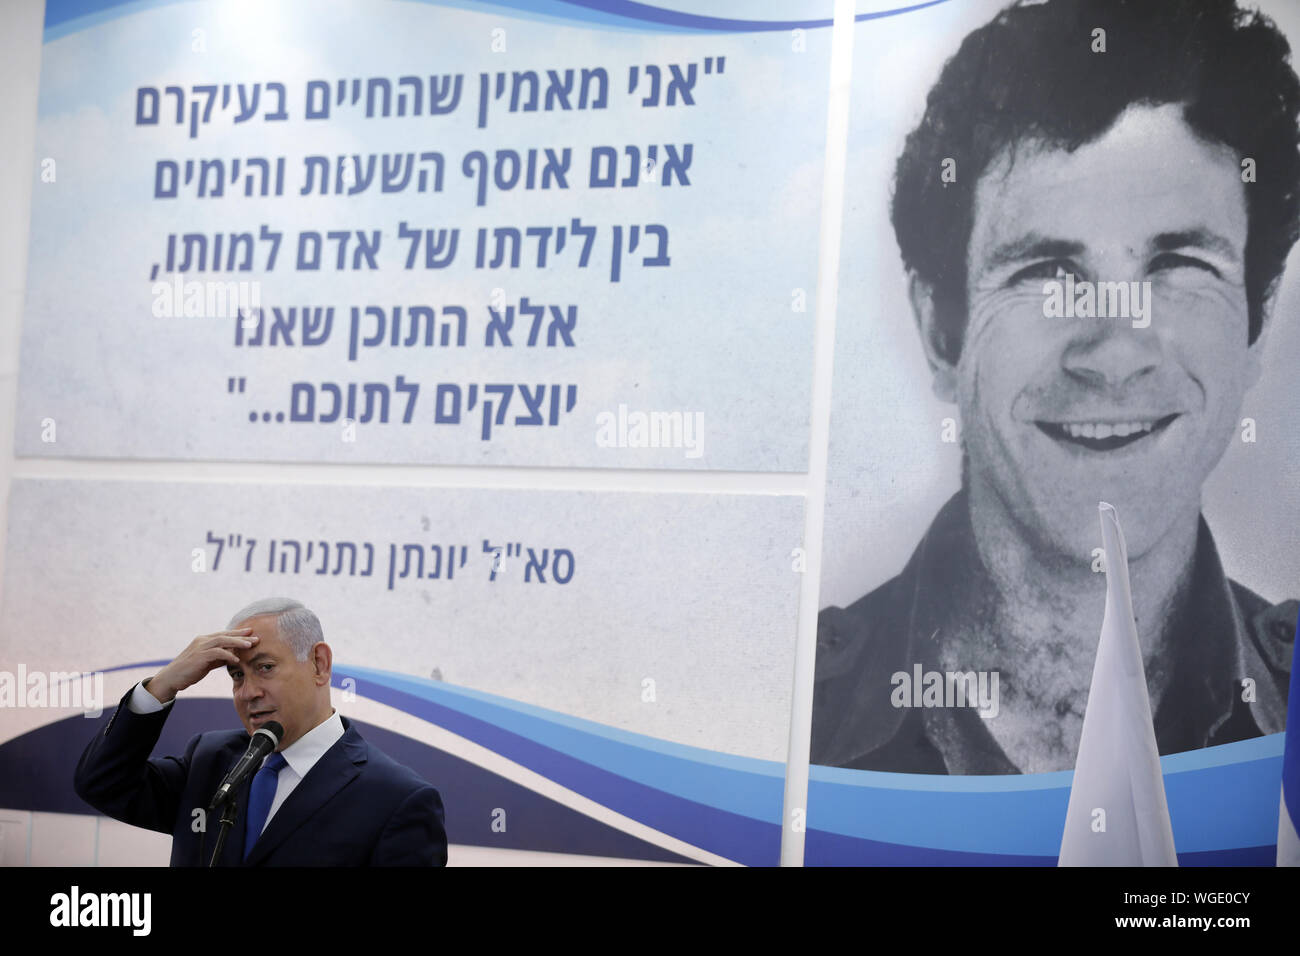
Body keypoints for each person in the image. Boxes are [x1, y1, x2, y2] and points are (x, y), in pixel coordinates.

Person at [813, 0, 1299, 774]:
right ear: (943, 332)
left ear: (1255, 327)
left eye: (1177, 267)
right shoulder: (784, 715)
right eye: (1046, 273)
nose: (1114, 354)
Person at [74, 597, 448, 865]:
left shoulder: (398, 800)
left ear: (319, 664)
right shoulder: (211, 759)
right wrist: (162, 685)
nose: (248, 691)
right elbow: (102, 783)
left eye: (265, 667)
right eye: (237, 675)